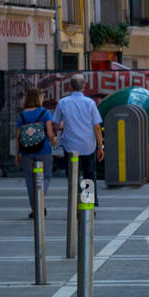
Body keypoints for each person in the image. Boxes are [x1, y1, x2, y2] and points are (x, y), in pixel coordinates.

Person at [52, 75, 104, 208]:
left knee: (73, 176)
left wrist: (64, 125)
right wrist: (100, 147)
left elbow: (56, 125)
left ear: (70, 86)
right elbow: (97, 126)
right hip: (88, 146)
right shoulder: (90, 103)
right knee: (89, 175)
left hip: (70, 147)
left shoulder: (63, 102)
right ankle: (88, 204)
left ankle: (76, 202)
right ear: (84, 86)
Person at [15, 87, 55, 220]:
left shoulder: (22, 115)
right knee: (46, 177)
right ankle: (40, 201)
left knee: (30, 180)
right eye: (42, 97)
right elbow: (49, 134)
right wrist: (54, 140)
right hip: (44, 151)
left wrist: (17, 155)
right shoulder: (45, 113)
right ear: (38, 99)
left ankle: (34, 208)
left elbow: (18, 137)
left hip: (26, 152)